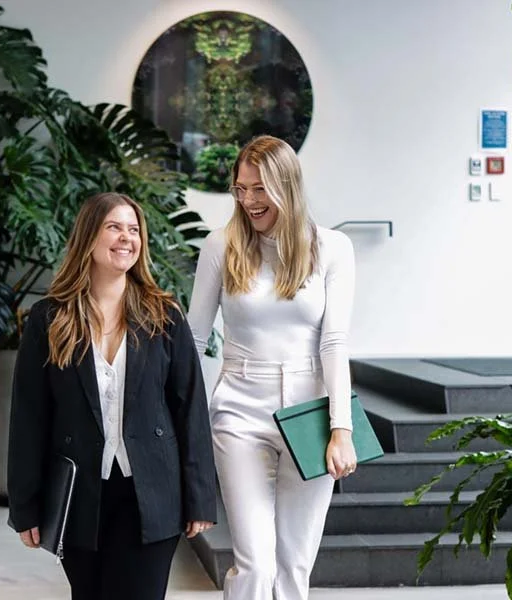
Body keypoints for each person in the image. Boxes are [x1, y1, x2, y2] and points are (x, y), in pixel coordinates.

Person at [8, 192, 217, 600]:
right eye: (114, 227)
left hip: (152, 493)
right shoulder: (49, 319)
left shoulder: (164, 315)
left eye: (134, 229)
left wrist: (200, 497)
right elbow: (29, 417)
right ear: (89, 237)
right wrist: (25, 506)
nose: (127, 238)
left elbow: (190, 407)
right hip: (79, 495)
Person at [187, 135, 357, 600]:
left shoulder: (332, 248)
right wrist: (185, 424)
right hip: (240, 410)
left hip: (311, 415)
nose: (248, 200)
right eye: (241, 189)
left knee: (294, 566)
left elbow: (335, 341)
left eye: (259, 189)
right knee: (256, 564)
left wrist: (341, 428)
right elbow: (194, 340)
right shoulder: (221, 246)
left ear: (286, 185)